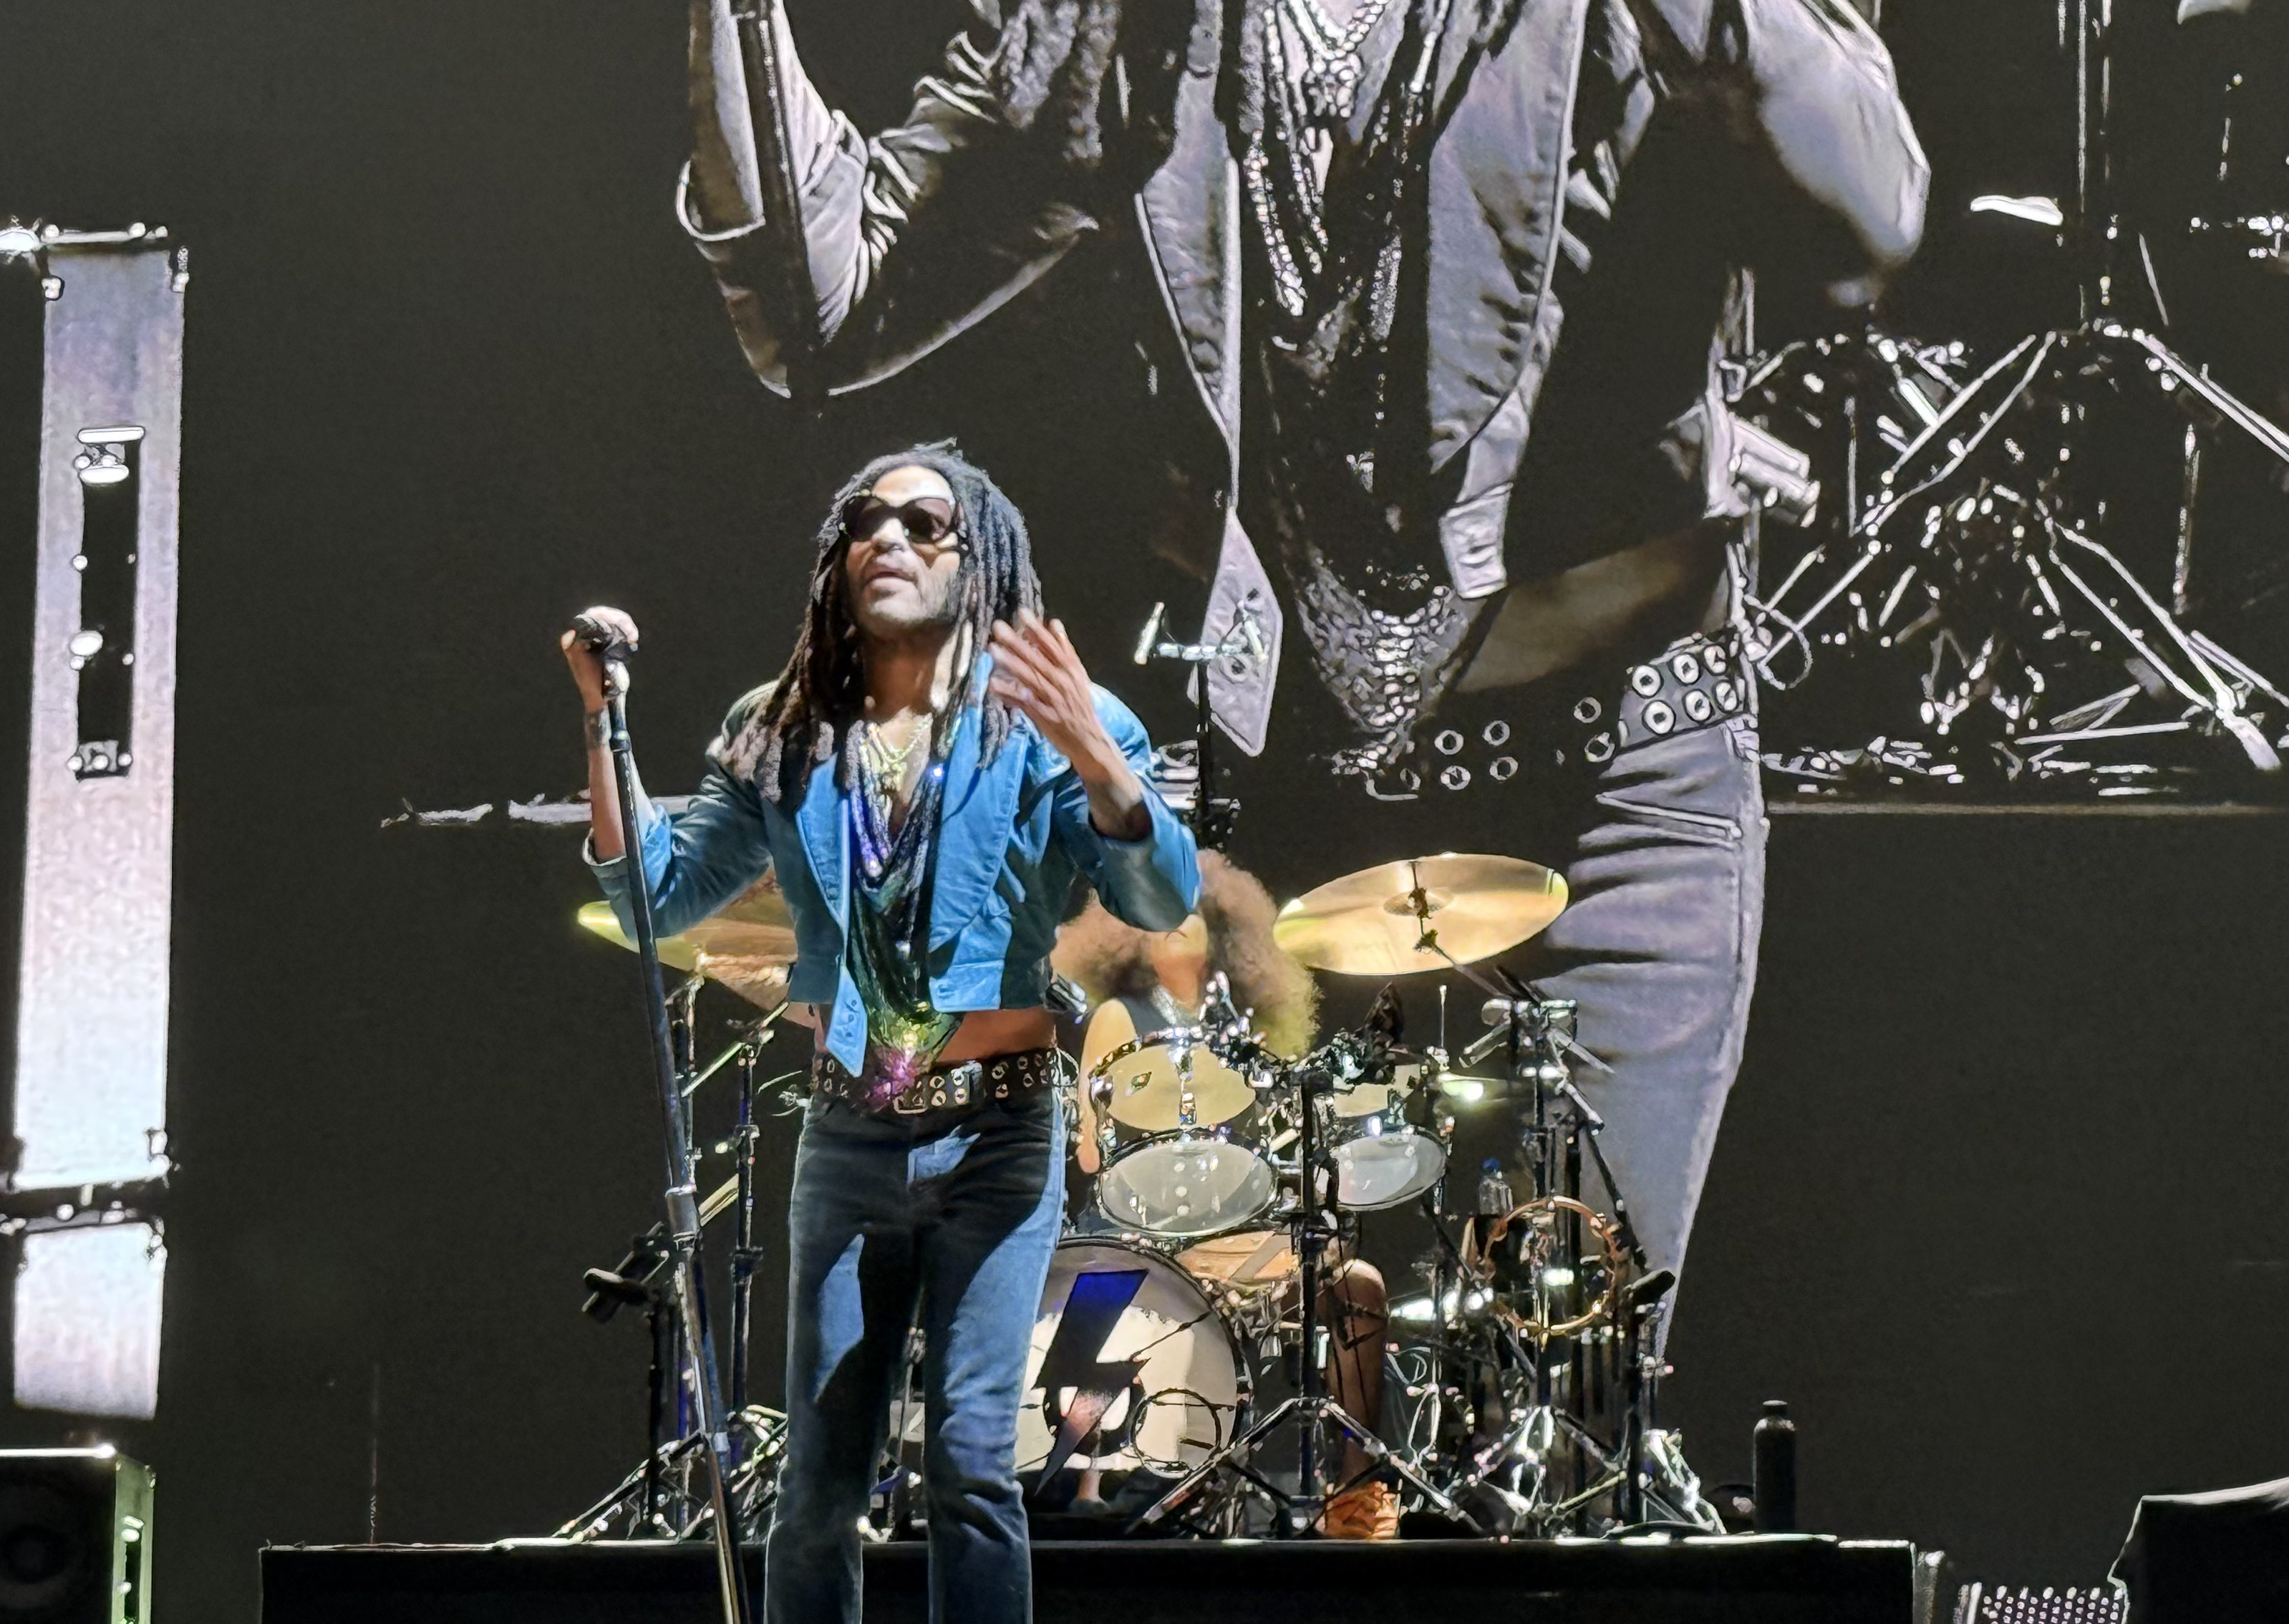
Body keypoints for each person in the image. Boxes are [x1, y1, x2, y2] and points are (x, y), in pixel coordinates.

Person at [667, 0, 1927, 1310]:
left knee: (1562, 1379)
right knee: (1267, 1393)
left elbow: (1864, 223)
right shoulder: (1144, 26)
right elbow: (820, 308)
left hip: (1606, 813)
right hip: (1281, 813)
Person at [563, 445, 1200, 1624]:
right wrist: (607, 722)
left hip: (998, 1133)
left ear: (978, 557)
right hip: (851, 1134)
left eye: (922, 520)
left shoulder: (1050, 722)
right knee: (816, 1487)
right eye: (865, 519)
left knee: (969, 1467)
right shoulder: (784, 728)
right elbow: (656, 894)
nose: (887, 538)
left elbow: (1160, 901)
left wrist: (1099, 756)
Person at [1053, 852, 1400, 1537]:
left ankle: (1356, 1490)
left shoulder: (1248, 1027)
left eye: (1189, 915)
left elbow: (1277, 1142)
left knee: (1357, 1284)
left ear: (1220, 933)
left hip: (1237, 1230)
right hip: (1139, 1231)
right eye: (1156, 915)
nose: (1173, 926)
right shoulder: (1119, 1016)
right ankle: (1105, 1483)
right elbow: (1091, 1152)